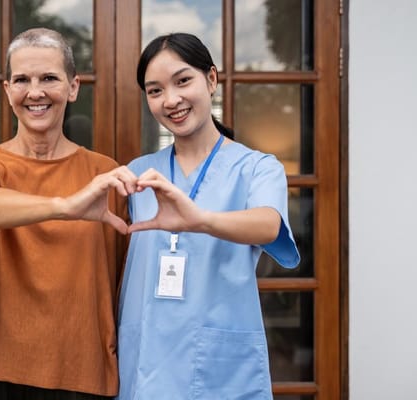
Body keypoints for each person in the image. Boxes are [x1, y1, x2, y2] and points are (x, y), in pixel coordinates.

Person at [0, 27, 134, 400]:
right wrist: (66, 206)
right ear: (8, 90)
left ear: (73, 87)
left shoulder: (105, 175)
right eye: (22, 80)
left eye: (49, 78)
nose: (35, 92)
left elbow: (124, 281)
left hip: (80, 375)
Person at [116, 32, 301, 399]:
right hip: (146, 362)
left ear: (211, 80)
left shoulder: (257, 168)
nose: (171, 100)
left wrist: (198, 220)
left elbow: (269, 224)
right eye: (155, 91)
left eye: (183, 81)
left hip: (218, 367)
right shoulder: (138, 174)